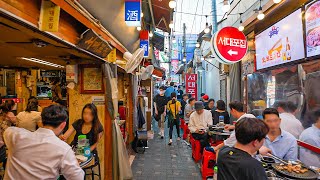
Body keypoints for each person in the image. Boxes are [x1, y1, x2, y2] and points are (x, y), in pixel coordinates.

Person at [3, 105, 84, 179]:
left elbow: (6, 131)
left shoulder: (15, 135)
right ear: (63, 125)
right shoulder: (63, 149)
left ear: (41, 121)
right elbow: (78, 177)